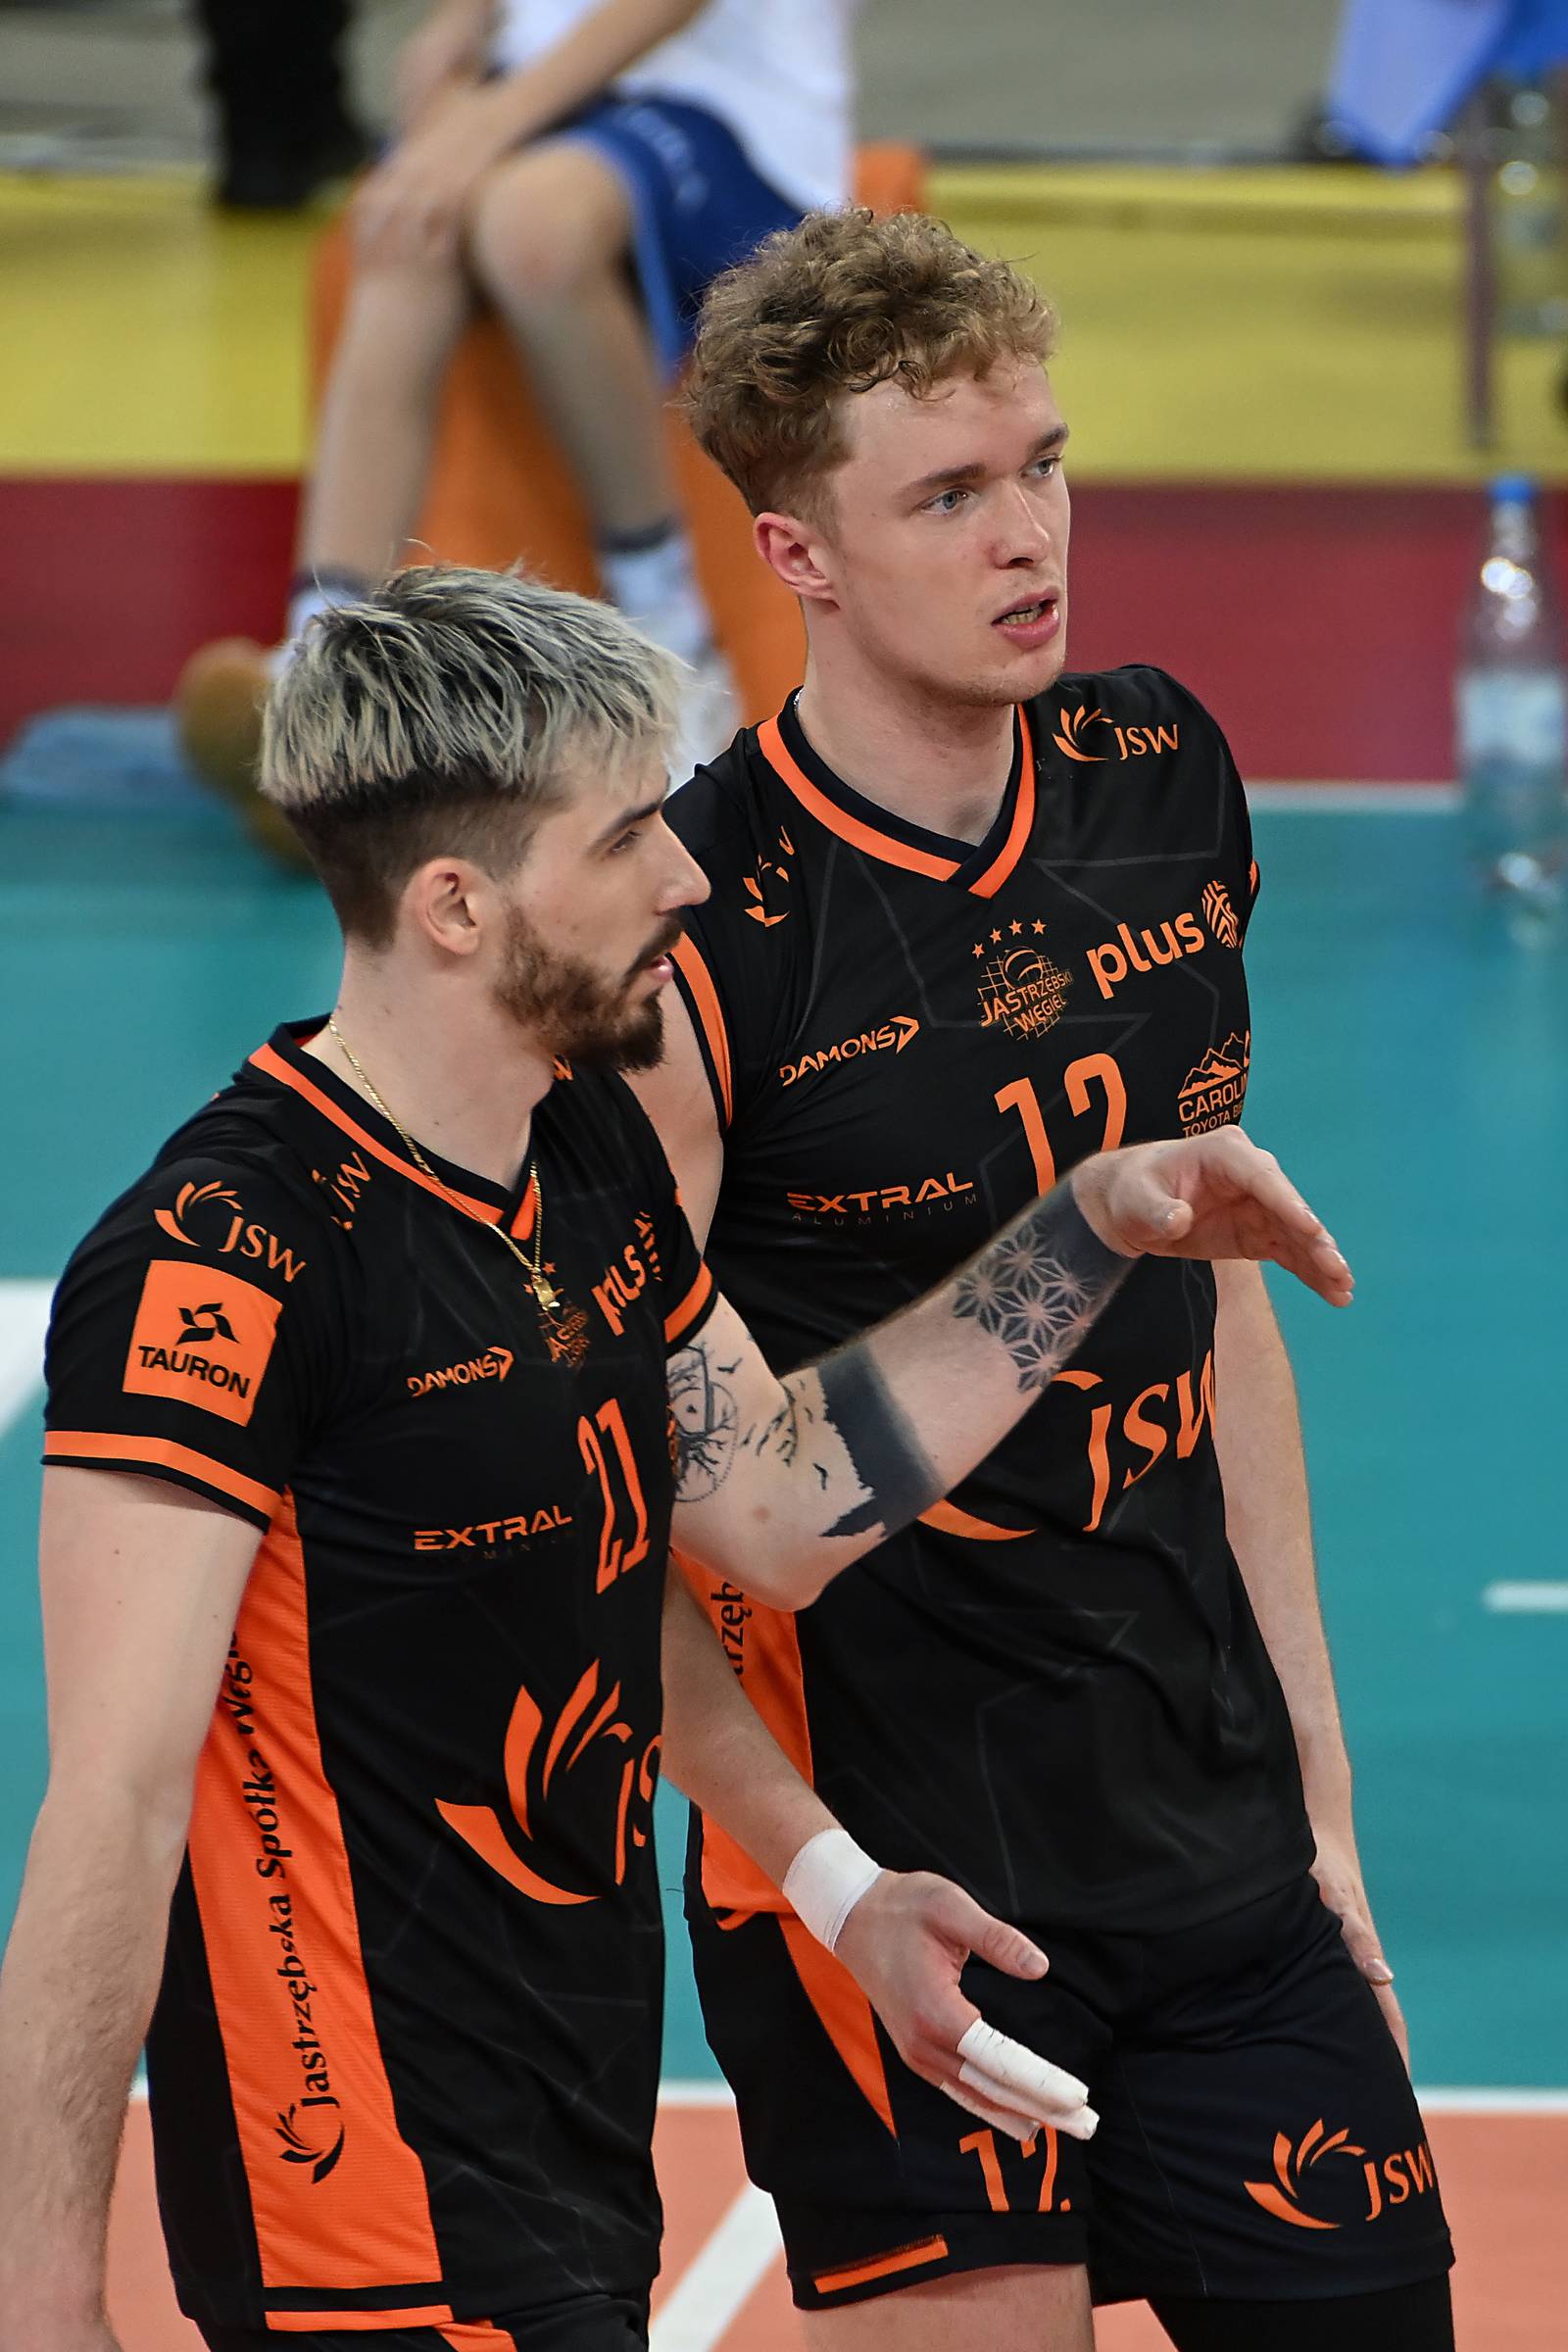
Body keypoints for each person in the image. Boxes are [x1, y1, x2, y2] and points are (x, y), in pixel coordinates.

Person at [0, 566, 1349, 2352]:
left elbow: (781, 1503)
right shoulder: (224, 1262)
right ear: (459, 904)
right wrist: (42, 2305)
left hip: (565, 2160)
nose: (688, 878)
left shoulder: (580, 1166)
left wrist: (1092, 1226)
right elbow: (108, 1811)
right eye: (628, 835)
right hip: (362, 2217)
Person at [632, 210, 1457, 2350]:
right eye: (946, 496)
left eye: (1043, 466)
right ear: (798, 554)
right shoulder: (692, 933)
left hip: (1211, 1842)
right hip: (908, 1882)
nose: (1028, 538)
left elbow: (1223, 1314)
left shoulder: (1159, 775)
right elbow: (633, 1511)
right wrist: (817, 1876)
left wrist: (1324, 1817)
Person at [174, 0, 858, 818]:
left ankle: (670, 641)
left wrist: (485, 125)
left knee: (533, 227)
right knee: (402, 225)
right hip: (542, 86)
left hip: (729, 105)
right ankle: (324, 655)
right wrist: (458, 32)